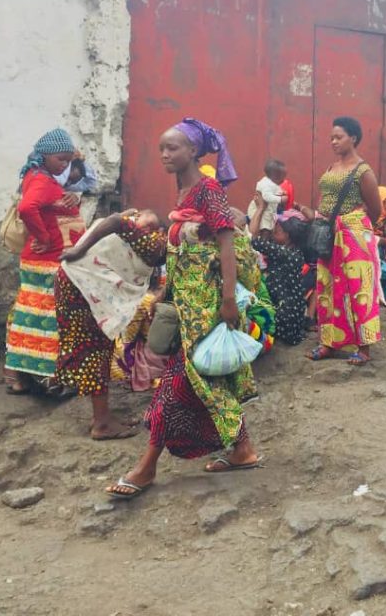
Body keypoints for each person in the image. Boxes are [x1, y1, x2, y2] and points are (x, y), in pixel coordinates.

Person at [106, 118, 261, 500]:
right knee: (209, 380)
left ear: (194, 151)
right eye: (161, 148)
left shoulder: (207, 190)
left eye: (172, 148)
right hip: (186, 304)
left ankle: (146, 467)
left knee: (177, 385)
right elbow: (185, 250)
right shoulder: (183, 190)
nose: (164, 154)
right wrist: (165, 292)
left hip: (208, 305)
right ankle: (242, 449)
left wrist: (227, 299)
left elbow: (226, 244)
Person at [55, 210, 167, 439]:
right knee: (94, 350)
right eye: (144, 224)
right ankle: (102, 423)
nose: (142, 229)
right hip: (82, 285)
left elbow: (117, 221)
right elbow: (115, 221)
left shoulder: (144, 238)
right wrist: (80, 248)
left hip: (81, 282)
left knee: (101, 348)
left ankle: (102, 416)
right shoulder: (154, 243)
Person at [4, 128, 85, 396]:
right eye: (61, 159)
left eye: (67, 160)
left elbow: (46, 203)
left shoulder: (36, 175)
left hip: (39, 260)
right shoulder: (41, 180)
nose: (64, 164)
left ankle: (17, 376)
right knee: (50, 320)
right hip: (47, 260)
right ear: (45, 155)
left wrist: (72, 198)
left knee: (29, 317)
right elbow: (28, 208)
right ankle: (51, 379)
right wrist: (44, 237)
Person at [309, 116, 383, 366]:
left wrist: (351, 225)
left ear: (353, 138)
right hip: (328, 234)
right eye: (331, 137)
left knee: (358, 288)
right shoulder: (332, 167)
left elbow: (375, 209)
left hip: (353, 237)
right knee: (327, 287)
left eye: (338, 137)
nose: (333, 141)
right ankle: (328, 341)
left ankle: (364, 347)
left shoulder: (363, 171)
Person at [250, 198, 311, 346]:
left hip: (283, 319)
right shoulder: (295, 252)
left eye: (276, 230)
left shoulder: (283, 253)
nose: (271, 232)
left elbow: (252, 238)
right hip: (294, 319)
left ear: (288, 235)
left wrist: (260, 209)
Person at [246, 158, 288, 237]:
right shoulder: (266, 184)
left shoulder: (273, 183)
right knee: (265, 228)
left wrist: (281, 193)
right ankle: (263, 241)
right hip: (262, 209)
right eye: (282, 177)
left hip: (268, 209)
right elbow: (266, 197)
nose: (283, 180)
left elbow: (275, 190)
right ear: (274, 176)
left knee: (269, 225)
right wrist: (280, 199)